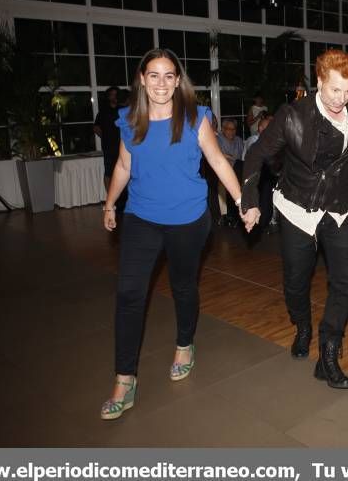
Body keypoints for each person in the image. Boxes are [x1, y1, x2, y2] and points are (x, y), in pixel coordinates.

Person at [99, 48, 244, 420]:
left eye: (168, 76)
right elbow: (123, 164)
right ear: (142, 79)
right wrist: (110, 203)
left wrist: (243, 200)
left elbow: (216, 160)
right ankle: (124, 378)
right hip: (141, 218)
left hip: (188, 219)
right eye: (153, 75)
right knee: (129, 293)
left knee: (182, 286)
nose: (161, 83)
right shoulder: (130, 121)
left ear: (177, 81)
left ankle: (184, 344)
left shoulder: (196, 118)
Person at [241, 49, 348, 389]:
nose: (341, 98)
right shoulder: (293, 115)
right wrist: (250, 201)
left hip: (340, 206)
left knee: (344, 281)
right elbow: (256, 154)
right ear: (320, 80)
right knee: (296, 281)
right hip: (297, 206)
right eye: (334, 89)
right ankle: (303, 326)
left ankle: (329, 350)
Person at [93, 86, 122, 192]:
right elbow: (96, 127)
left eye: (116, 95)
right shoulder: (103, 112)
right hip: (108, 147)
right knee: (109, 172)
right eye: (112, 95)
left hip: (122, 146)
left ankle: (123, 196)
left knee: (123, 171)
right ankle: (110, 197)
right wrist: (105, 136)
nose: (114, 97)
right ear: (108, 97)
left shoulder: (122, 110)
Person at [217, 119, 244, 226]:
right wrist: (230, 158)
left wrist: (231, 158)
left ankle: (238, 214)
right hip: (224, 170)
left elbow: (242, 156)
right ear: (223, 129)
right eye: (229, 129)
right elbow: (218, 156)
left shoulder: (238, 140)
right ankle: (232, 216)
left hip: (237, 168)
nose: (232, 132)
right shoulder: (218, 139)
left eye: (234, 129)